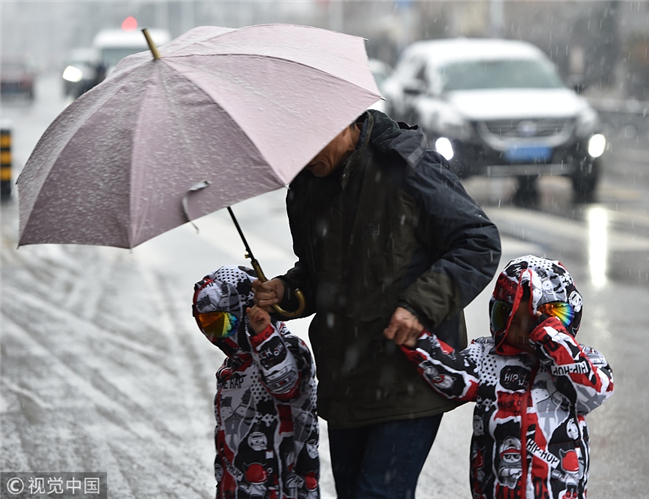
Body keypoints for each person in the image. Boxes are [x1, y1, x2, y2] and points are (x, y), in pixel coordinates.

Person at [251, 109, 501, 498]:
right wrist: (287, 290)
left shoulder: (404, 163)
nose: (302, 157)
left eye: (311, 142)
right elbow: (321, 276)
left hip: (406, 376)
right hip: (346, 381)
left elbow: (478, 241)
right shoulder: (306, 187)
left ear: (345, 121)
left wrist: (419, 307)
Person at [392, 255, 614, 499]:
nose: (521, 333)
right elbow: (453, 377)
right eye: (511, 320)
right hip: (495, 487)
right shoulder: (487, 356)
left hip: (557, 490)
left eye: (532, 322)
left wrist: (551, 339)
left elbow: (594, 392)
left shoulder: (581, 359)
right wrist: (420, 343)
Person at [192, 265, 320, 499]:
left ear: (245, 311)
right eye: (209, 325)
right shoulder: (234, 364)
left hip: (282, 487)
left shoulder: (290, 349)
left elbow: (285, 384)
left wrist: (264, 338)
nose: (218, 335)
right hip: (239, 485)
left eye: (223, 323)